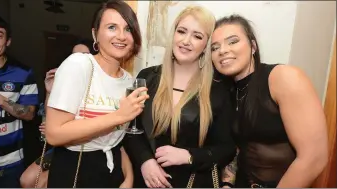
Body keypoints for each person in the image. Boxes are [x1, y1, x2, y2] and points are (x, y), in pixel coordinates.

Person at [124, 6, 236, 188]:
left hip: (191, 182)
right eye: (181, 31)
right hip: (145, 181)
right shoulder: (148, 77)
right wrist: (145, 161)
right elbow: (131, 129)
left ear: (206, 45)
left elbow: (227, 149)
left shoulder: (218, 88)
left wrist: (189, 155)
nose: (186, 41)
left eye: (197, 36)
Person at [211, 14, 328, 188]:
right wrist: (227, 183)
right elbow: (239, 148)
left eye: (233, 41)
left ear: (253, 46)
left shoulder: (283, 77)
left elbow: (315, 157)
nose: (223, 50)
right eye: (214, 47)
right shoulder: (227, 91)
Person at [44, 1, 149, 187]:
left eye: (128, 29)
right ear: (95, 34)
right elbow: (54, 134)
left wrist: (128, 176)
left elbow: (116, 140)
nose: (121, 36)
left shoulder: (128, 80)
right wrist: (118, 116)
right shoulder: (79, 65)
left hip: (113, 168)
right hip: (76, 167)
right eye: (111, 27)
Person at [20, 38, 133, 188]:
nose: (80, 59)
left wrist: (129, 177)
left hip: (97, 156)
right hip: (64, 149)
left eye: (85, 54)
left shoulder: (113, 81)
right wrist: (50, 92)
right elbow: (51, 124)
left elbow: (117, 138)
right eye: (75, 55)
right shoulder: (70, 73)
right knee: (28, 179)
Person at [0, 16, 39, 188]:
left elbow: (30, 114)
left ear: (8, 41)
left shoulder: (23, 74)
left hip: (9, 165)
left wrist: (1, 100)